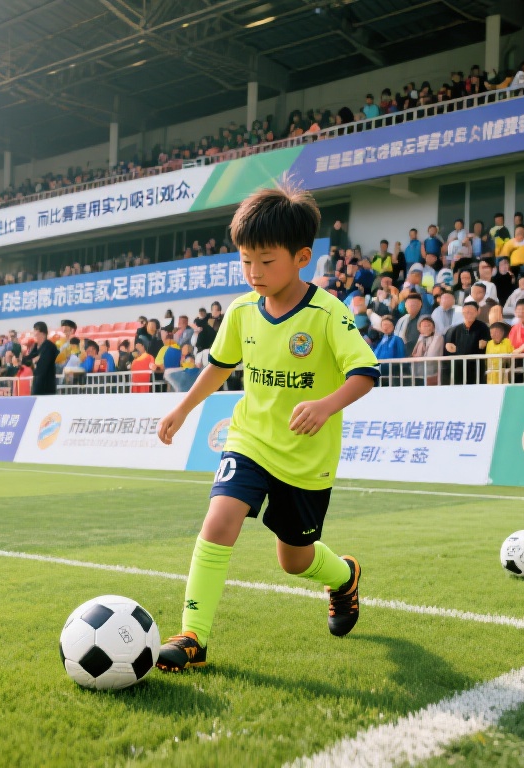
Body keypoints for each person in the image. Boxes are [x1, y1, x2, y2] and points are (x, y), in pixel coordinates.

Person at [154, 185, 379, 672]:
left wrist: (326, 404)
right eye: (245, 261)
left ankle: (344, 577)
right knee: (219, 521)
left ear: (302, 257)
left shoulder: (327, 313)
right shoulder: (239, 312)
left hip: (306, 457)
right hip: (249, 440)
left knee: (294, 560)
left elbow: (365, 373)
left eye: (266, 261)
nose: (254, 273)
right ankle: (194, 636)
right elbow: (218, 366)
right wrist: (184, 408)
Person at [444, 297, 490, 384]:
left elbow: (484, 344)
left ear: (477, 312)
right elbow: (449, 349)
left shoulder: (483, 327)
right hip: (458, 367)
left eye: (472, 311)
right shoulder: (454, 330)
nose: (469, 314)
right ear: (462, 312)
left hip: (477, 367)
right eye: (466, 311)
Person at [30, 321, 59, 395]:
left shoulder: (49, 346)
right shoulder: (36, 347)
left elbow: (44, 363)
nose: (34, 333)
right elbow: (28, 360)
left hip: (47, 386)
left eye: (36, 330)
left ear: (42, 333)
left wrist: (38, 359)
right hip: (37, 384)